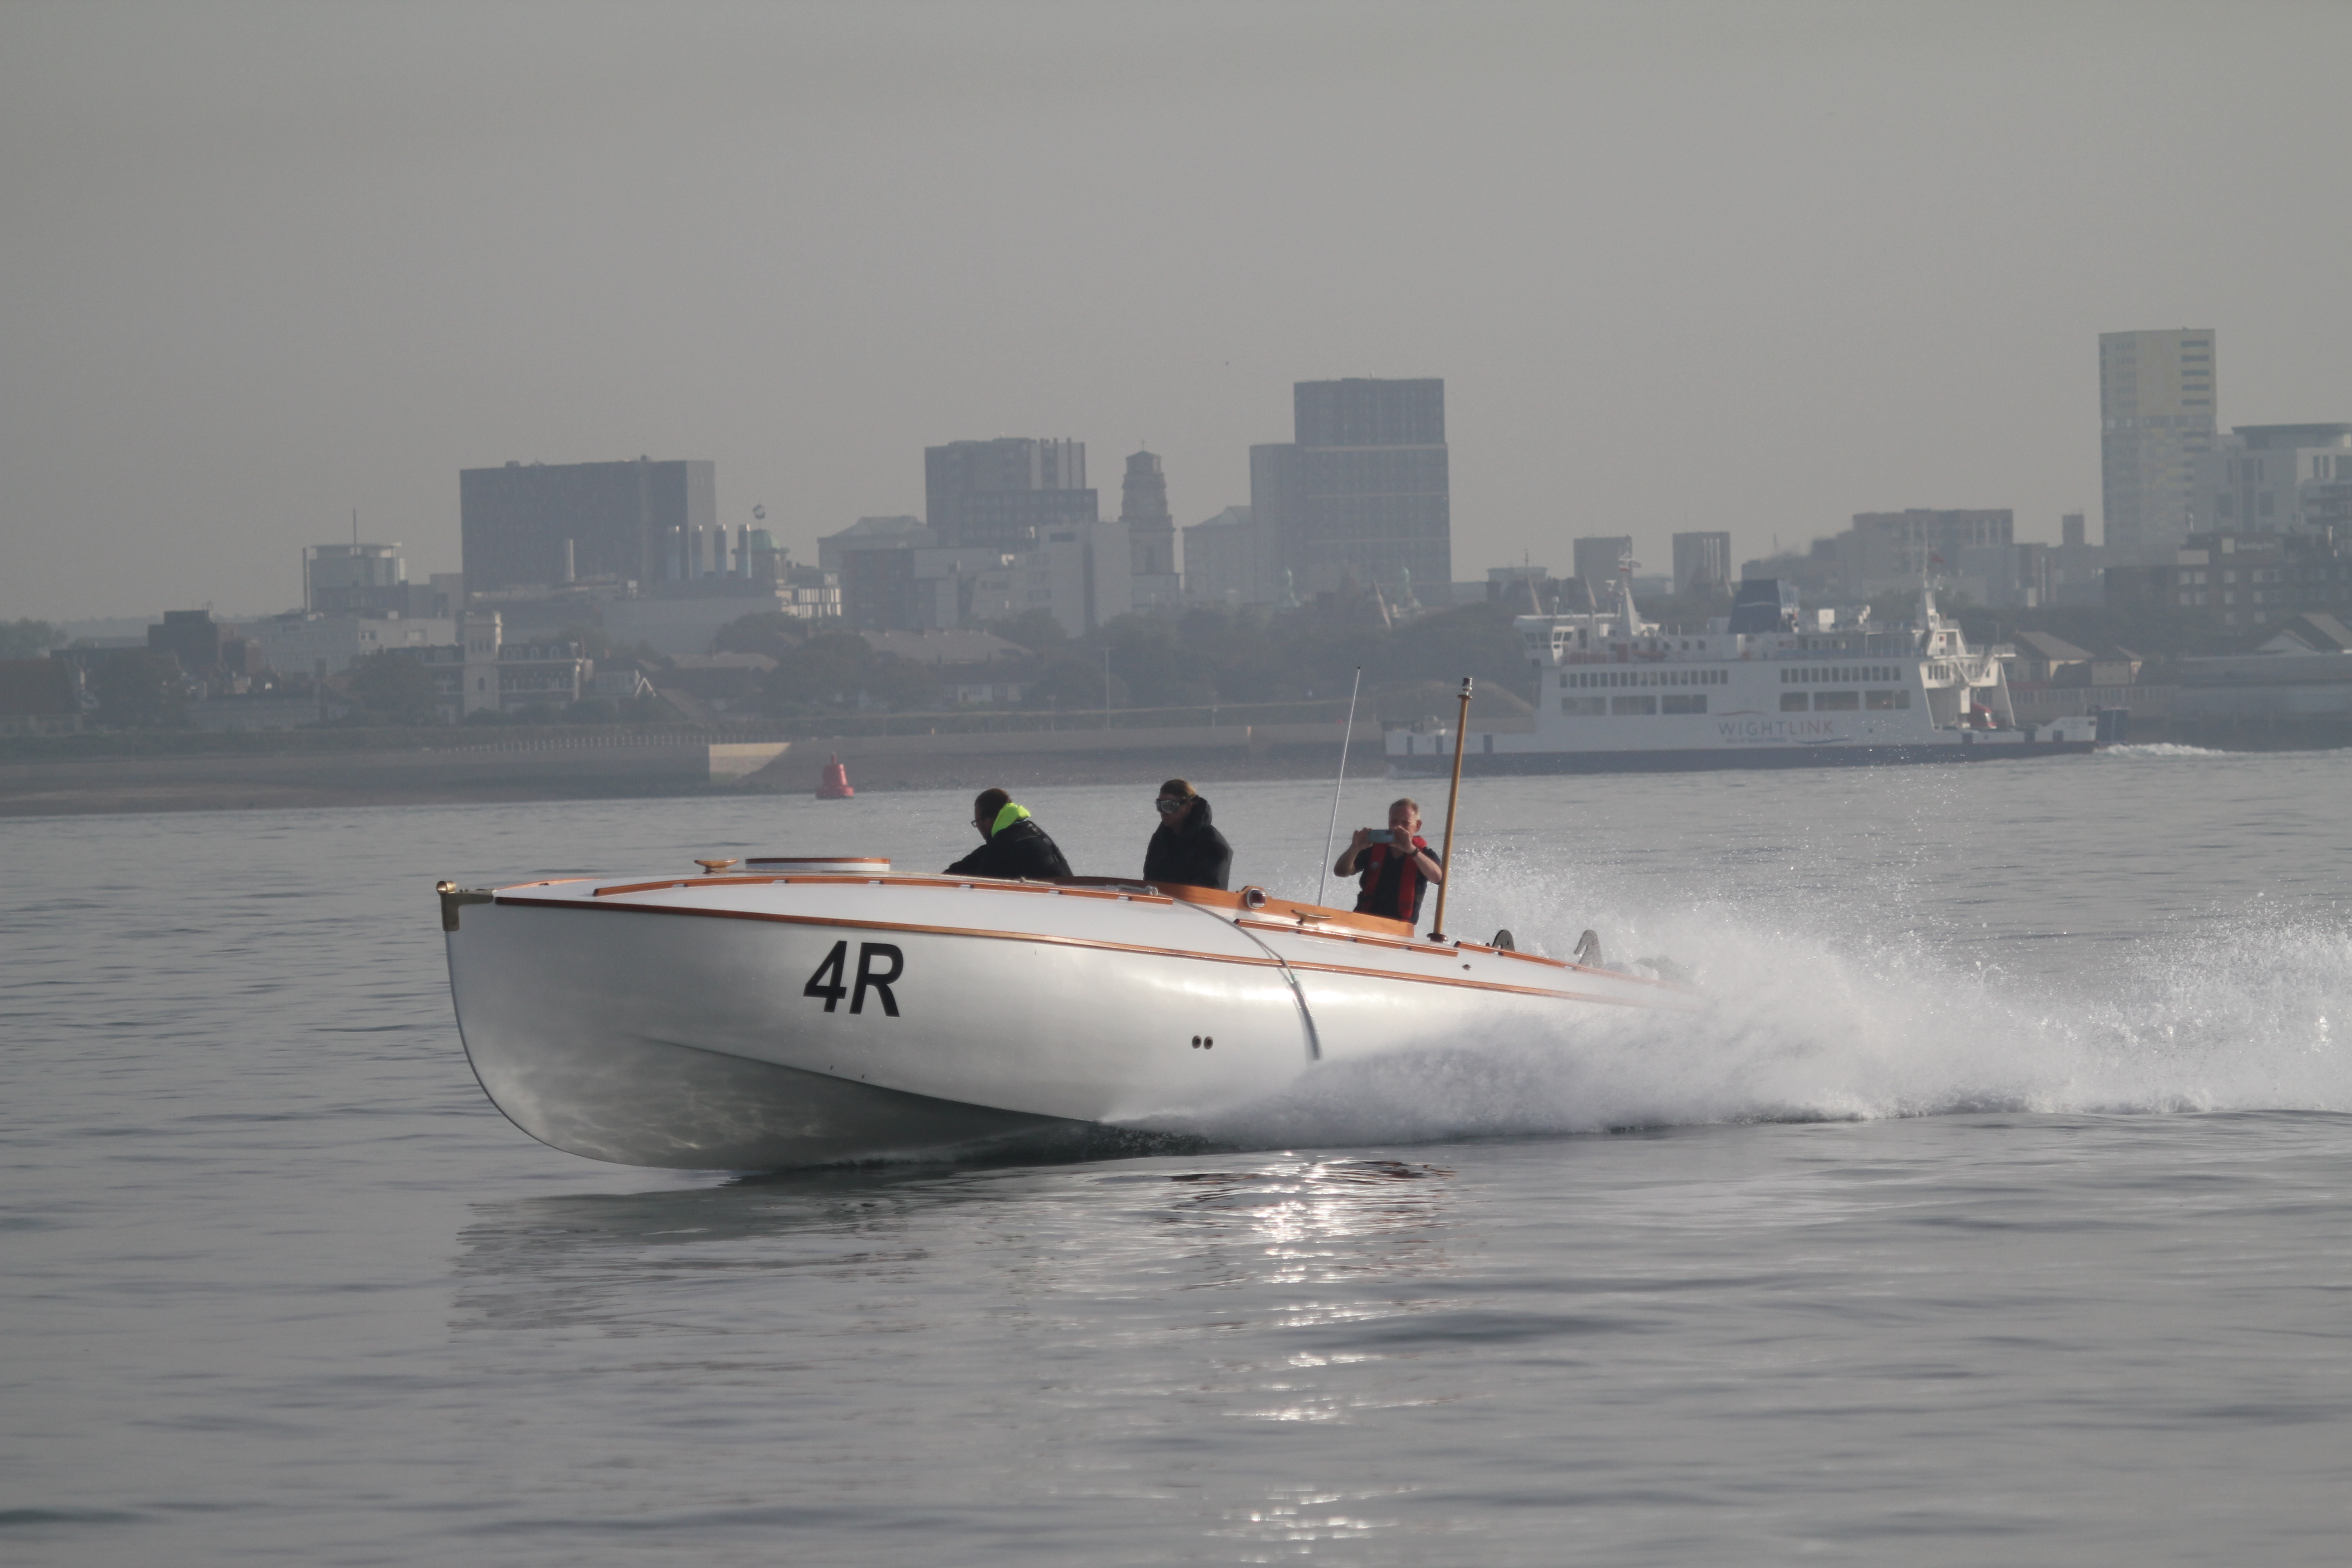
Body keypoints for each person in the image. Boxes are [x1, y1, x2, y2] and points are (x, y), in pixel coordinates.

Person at [1332, 796, 1443, 925]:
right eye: (1394, 822)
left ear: (1417, 826)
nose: (1399, 827)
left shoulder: (1425, 855)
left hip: (1401, 927)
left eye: (1406, 823)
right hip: (1364, 921)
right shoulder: (1372, 849)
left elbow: (1437, 878)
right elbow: (1341, 872)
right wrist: (1355, 848)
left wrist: (1411, 850)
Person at [944, 787, 1073, 881]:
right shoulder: (1028, 830)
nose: (977, 827)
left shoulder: (1004, 845)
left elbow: (982, 884)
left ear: (988, 822)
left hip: (1050, 902)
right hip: (1068, 894)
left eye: (977, 822)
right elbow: (976, 860)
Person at [1142, 778, 1232, 890]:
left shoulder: (1212, 843)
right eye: (1160, 806)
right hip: (1162, 904)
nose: (1163, 812)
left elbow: (1208, 890)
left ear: (1188, 806)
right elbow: (1150, 883)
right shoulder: (1160, 840)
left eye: (1169, 807)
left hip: (1196, 906)